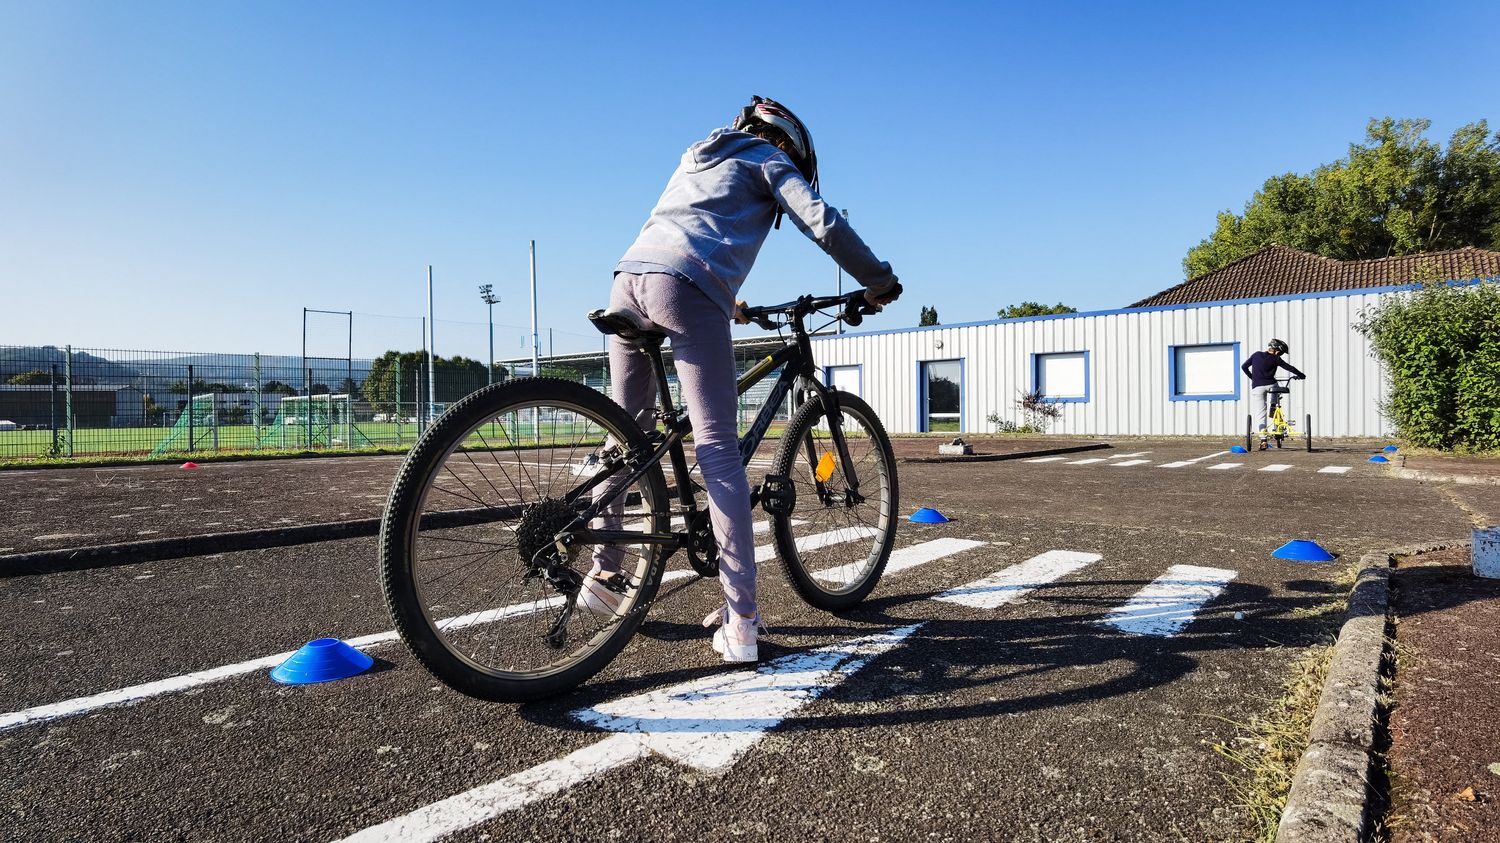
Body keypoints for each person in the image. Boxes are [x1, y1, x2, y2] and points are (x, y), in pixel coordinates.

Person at [579, 96, 901, 662]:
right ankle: (743, 621)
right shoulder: (766, 159)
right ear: (787, 146)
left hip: (628, 278)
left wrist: (732, 305)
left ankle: (605, 578)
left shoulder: (697, 157)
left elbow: (684, 236)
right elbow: (822, 221)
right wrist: (879, 280)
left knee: (623, 441)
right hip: (684, 285)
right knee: (719, 453)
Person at [1241, 338, 1305, 449]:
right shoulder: (1276, 358)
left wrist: (1252, 378)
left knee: (1261, 413)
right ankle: (1273, 405)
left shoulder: (1256, 355)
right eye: (1281, 352)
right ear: (1277, 351)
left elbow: (1244, 366)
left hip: (1257, 387)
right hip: (1271, 385)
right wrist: (1301, 375)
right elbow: (1290, 368)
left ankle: (1263, 440)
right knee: (1276, 386)